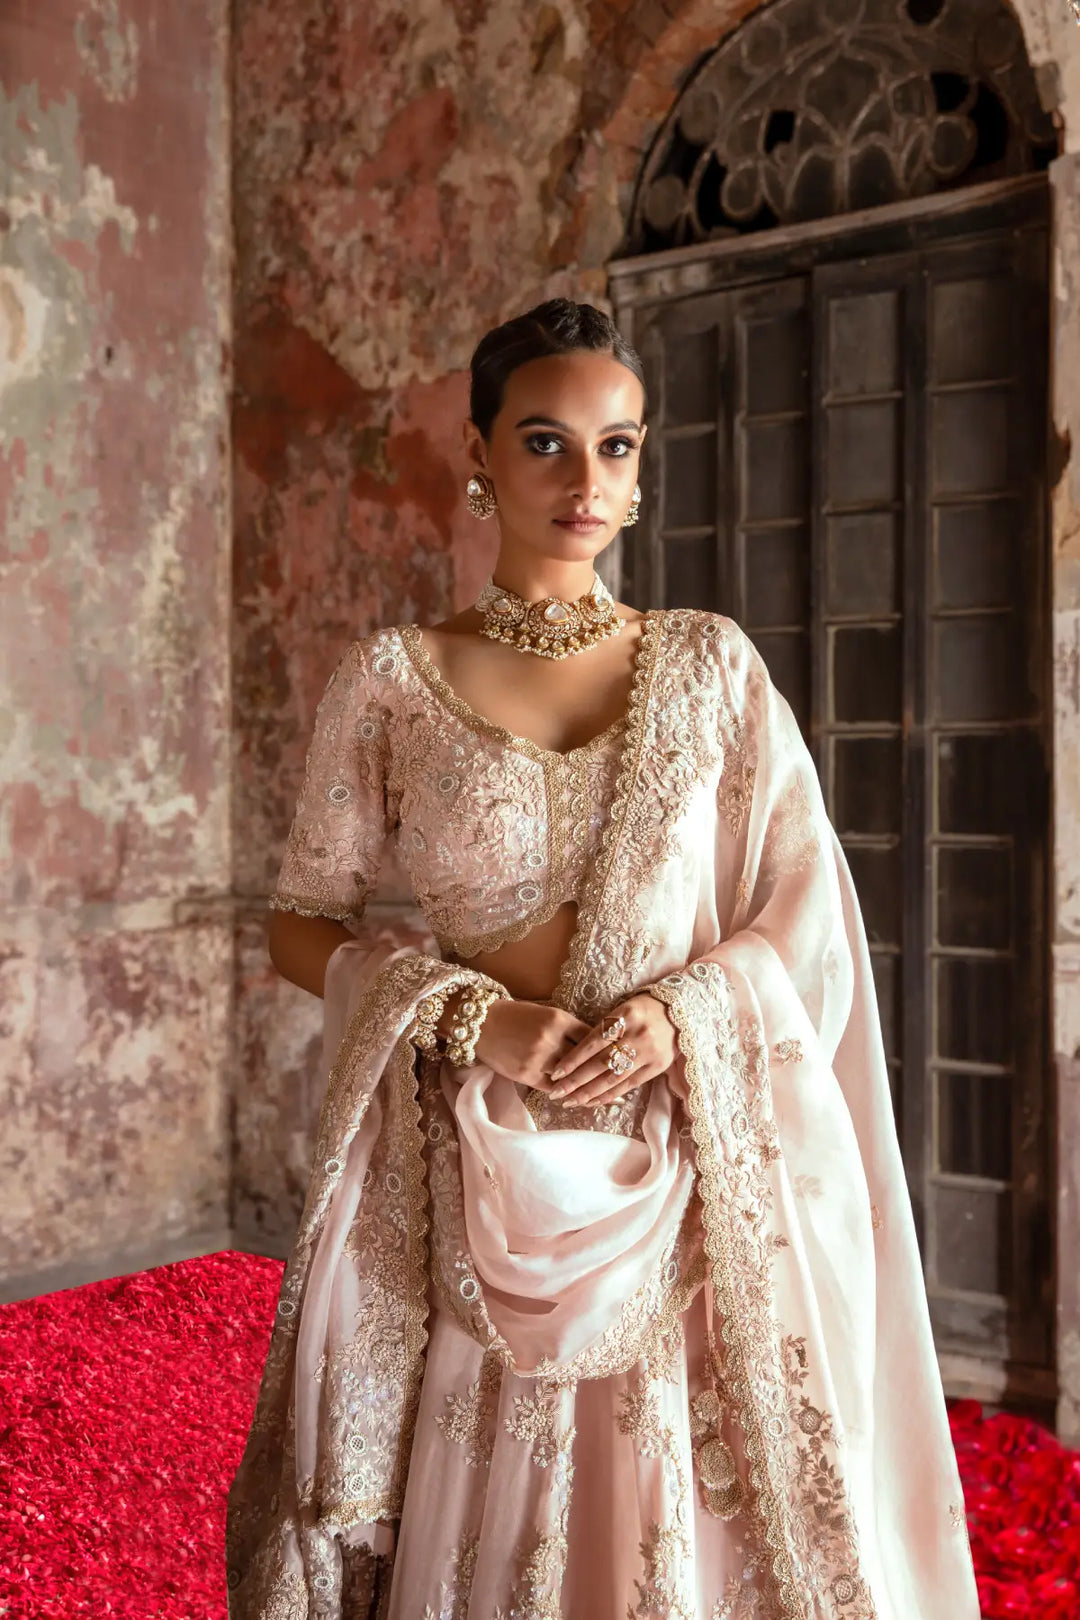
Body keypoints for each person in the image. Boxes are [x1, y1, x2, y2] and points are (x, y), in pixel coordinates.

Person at [225, 299, 980, 1620]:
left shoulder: (709, 669)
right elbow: (301, 919)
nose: (588, 483)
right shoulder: (394, 680)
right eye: (547, 443)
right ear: (479, 455)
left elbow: (802, 898)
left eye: (617, 448)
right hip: (493, 1158)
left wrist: (686, 1013)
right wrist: (469, 1020)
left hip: (684, 1162)